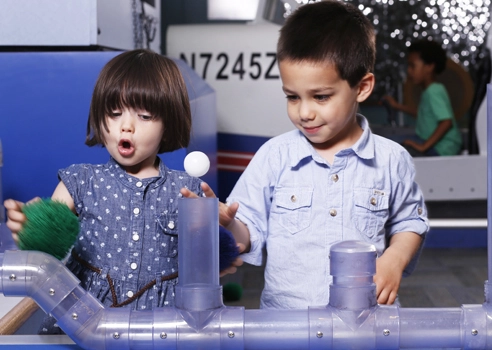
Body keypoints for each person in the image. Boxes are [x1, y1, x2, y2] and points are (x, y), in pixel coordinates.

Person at [198, 1, 429, 309]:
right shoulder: (273, 157)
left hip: (367, 324)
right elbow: (248, 229)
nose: (304, 112)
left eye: (321, 97)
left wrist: (394, 260)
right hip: (287, 328)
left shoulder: (392, 160)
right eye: (292, 97)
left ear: (362, 87)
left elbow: (410, 222)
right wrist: (228, 223)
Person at [3, 49, 241, 334]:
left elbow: (228, 251)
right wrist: (31, 230)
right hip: (83, 329)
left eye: (144, 115)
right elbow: (48, 251)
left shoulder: (188, 191)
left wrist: (225, 228)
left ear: (167, 124)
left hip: (162, 331)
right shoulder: (79, 181)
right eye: (114, 113)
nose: (125, 126)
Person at [382, 40, 462, 157]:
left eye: (412, 66)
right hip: (429, 140)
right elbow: (423, 113)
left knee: (385, 146)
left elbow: (446, 122)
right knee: (387, 142)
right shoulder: (430, 90)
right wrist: (397, 106)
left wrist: (423, 147)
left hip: (442, 148)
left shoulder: (433, 91)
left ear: (429, 67)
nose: (409, 71)